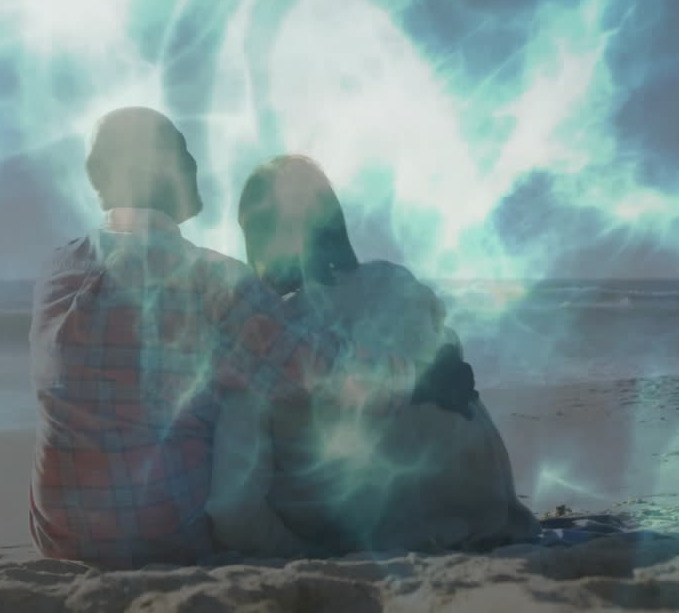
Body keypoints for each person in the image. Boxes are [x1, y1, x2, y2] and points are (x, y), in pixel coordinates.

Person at [28, 107, 475, 569]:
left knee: (225, 392)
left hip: (59, 537)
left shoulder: (56, 272)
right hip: (168, 536)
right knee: (261, 406)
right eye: (183, 152)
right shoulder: (213, 280)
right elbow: (324, 370)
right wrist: (423, 376)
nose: (195, 165)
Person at [206, 155, 540, 556]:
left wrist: (302, 555)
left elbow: (231, 508)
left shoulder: (263, 337)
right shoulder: (395, 284)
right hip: (482, 511)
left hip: (364, 535)